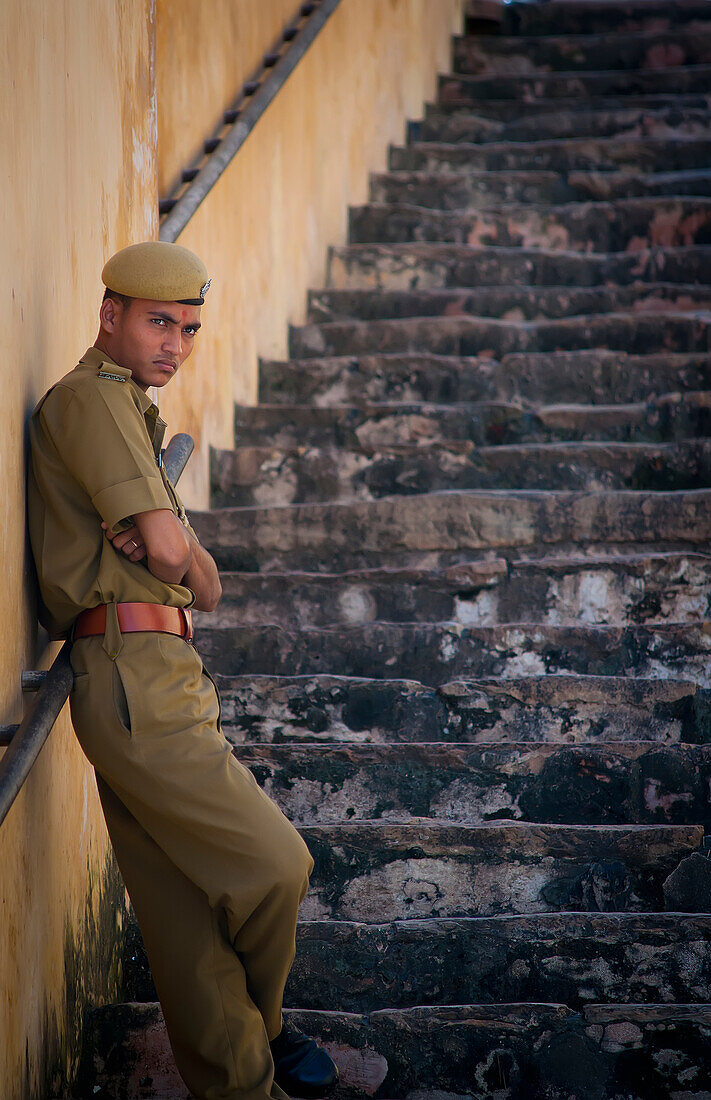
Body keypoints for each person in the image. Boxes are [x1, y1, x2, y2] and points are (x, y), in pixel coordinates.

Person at [27, 241, 339, 1100]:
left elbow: (207, 586)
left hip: (150, 668)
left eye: (190, 329)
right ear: (109, 316)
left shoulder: (136, 412)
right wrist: (179, 556)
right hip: (130, 669)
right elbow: (176, 559)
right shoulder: (92, 400)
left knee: (187, 929)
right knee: (278, 866)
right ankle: (270, 1031)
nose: (175, 343)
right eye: (158, 321)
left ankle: (244, 1084)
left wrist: (184, 560)